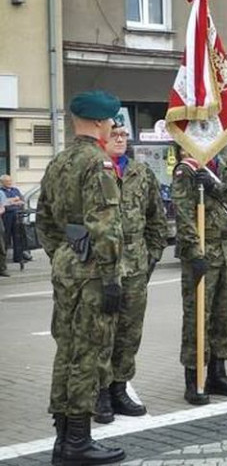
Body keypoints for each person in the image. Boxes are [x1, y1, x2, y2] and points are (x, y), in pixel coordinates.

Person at [36, 90, 126, 464]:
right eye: (110, 122)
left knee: (67, 351)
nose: (111, 127)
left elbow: (43, 219)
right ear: (99, 123)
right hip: (92, 272)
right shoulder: (98, 163)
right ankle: (78, 442)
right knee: (89, 354)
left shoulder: (59, 161)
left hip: (67, 267)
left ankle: (63, 438)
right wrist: (109, 278)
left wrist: (63, 254)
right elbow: (105, 226)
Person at [94, 115, 168, 424]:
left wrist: (152, 254)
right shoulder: (92, 171)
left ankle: (119, 389)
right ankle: (99, 394)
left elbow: (156, 217)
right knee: (101, 331)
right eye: (116, 134)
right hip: (100, 266)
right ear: (102, 137)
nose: (121, 139)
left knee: (129, 331)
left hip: (136, 263)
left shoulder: (141, 172)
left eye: (125, 134)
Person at [173, 146, 227, 405]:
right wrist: (194, 253)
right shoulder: (186, 171)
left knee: (224, 315)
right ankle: (193, 379)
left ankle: (218, 374)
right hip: (203, 252)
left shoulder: (226, 165)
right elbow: (184, 216)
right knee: (198, 317)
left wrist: (216, 187)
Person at [1, 174, 29, 264]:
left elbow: (21, 201)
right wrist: (14, 201)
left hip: (17, 215)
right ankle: (3, 259)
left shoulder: (15, 190)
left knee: (18, 237)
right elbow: (4, 203)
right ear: (2, 182)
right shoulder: (1, 191)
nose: (9, 183)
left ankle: (18, 257)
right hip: (6, 216)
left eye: (10, 181)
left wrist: (16, 202)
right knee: (5, 237)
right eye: (7, 181)